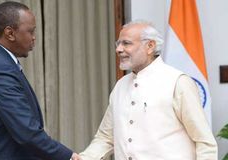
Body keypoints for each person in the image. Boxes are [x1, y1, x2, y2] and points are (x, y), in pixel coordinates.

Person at [80, 21, 218, 160]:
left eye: (126, 43)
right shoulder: (120, 86)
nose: (119, 49)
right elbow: (105, 138)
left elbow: (205, 142)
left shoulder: (178, 82)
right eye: (118, 44)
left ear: (150, 46)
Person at [0, 2, 80, 160]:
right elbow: (26, 131)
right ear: (10, 33)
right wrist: (69, 156)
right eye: (30, 31)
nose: (34, 38)